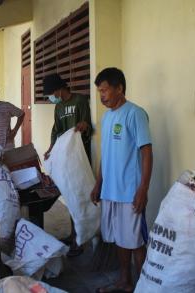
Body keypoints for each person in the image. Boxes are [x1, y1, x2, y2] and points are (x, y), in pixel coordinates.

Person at [91, 67, 153, 293]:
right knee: (120, 239)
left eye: (105, 90)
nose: (102, 96)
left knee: (136, 242)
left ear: (119, 88)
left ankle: (144, 287)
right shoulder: (107, 118)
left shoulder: (135, 113)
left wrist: (143, 189)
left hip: (130, 192)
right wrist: (99, 183)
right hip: (110, 191)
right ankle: (125, 282)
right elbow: (105, 155)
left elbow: (146, 151)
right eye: (99, 92)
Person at [43, 73, 92, 256]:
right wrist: (50, 149)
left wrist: (84, 126)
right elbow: (56, 130)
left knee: (79, 197)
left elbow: (87, 124)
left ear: (58, 89)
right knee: (70, 196)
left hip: (79, 156)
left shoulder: (79, 100)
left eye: (51, 93)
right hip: (65, 158)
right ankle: (73, 235)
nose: (51, 97)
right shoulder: (59, 107)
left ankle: (80, 239)